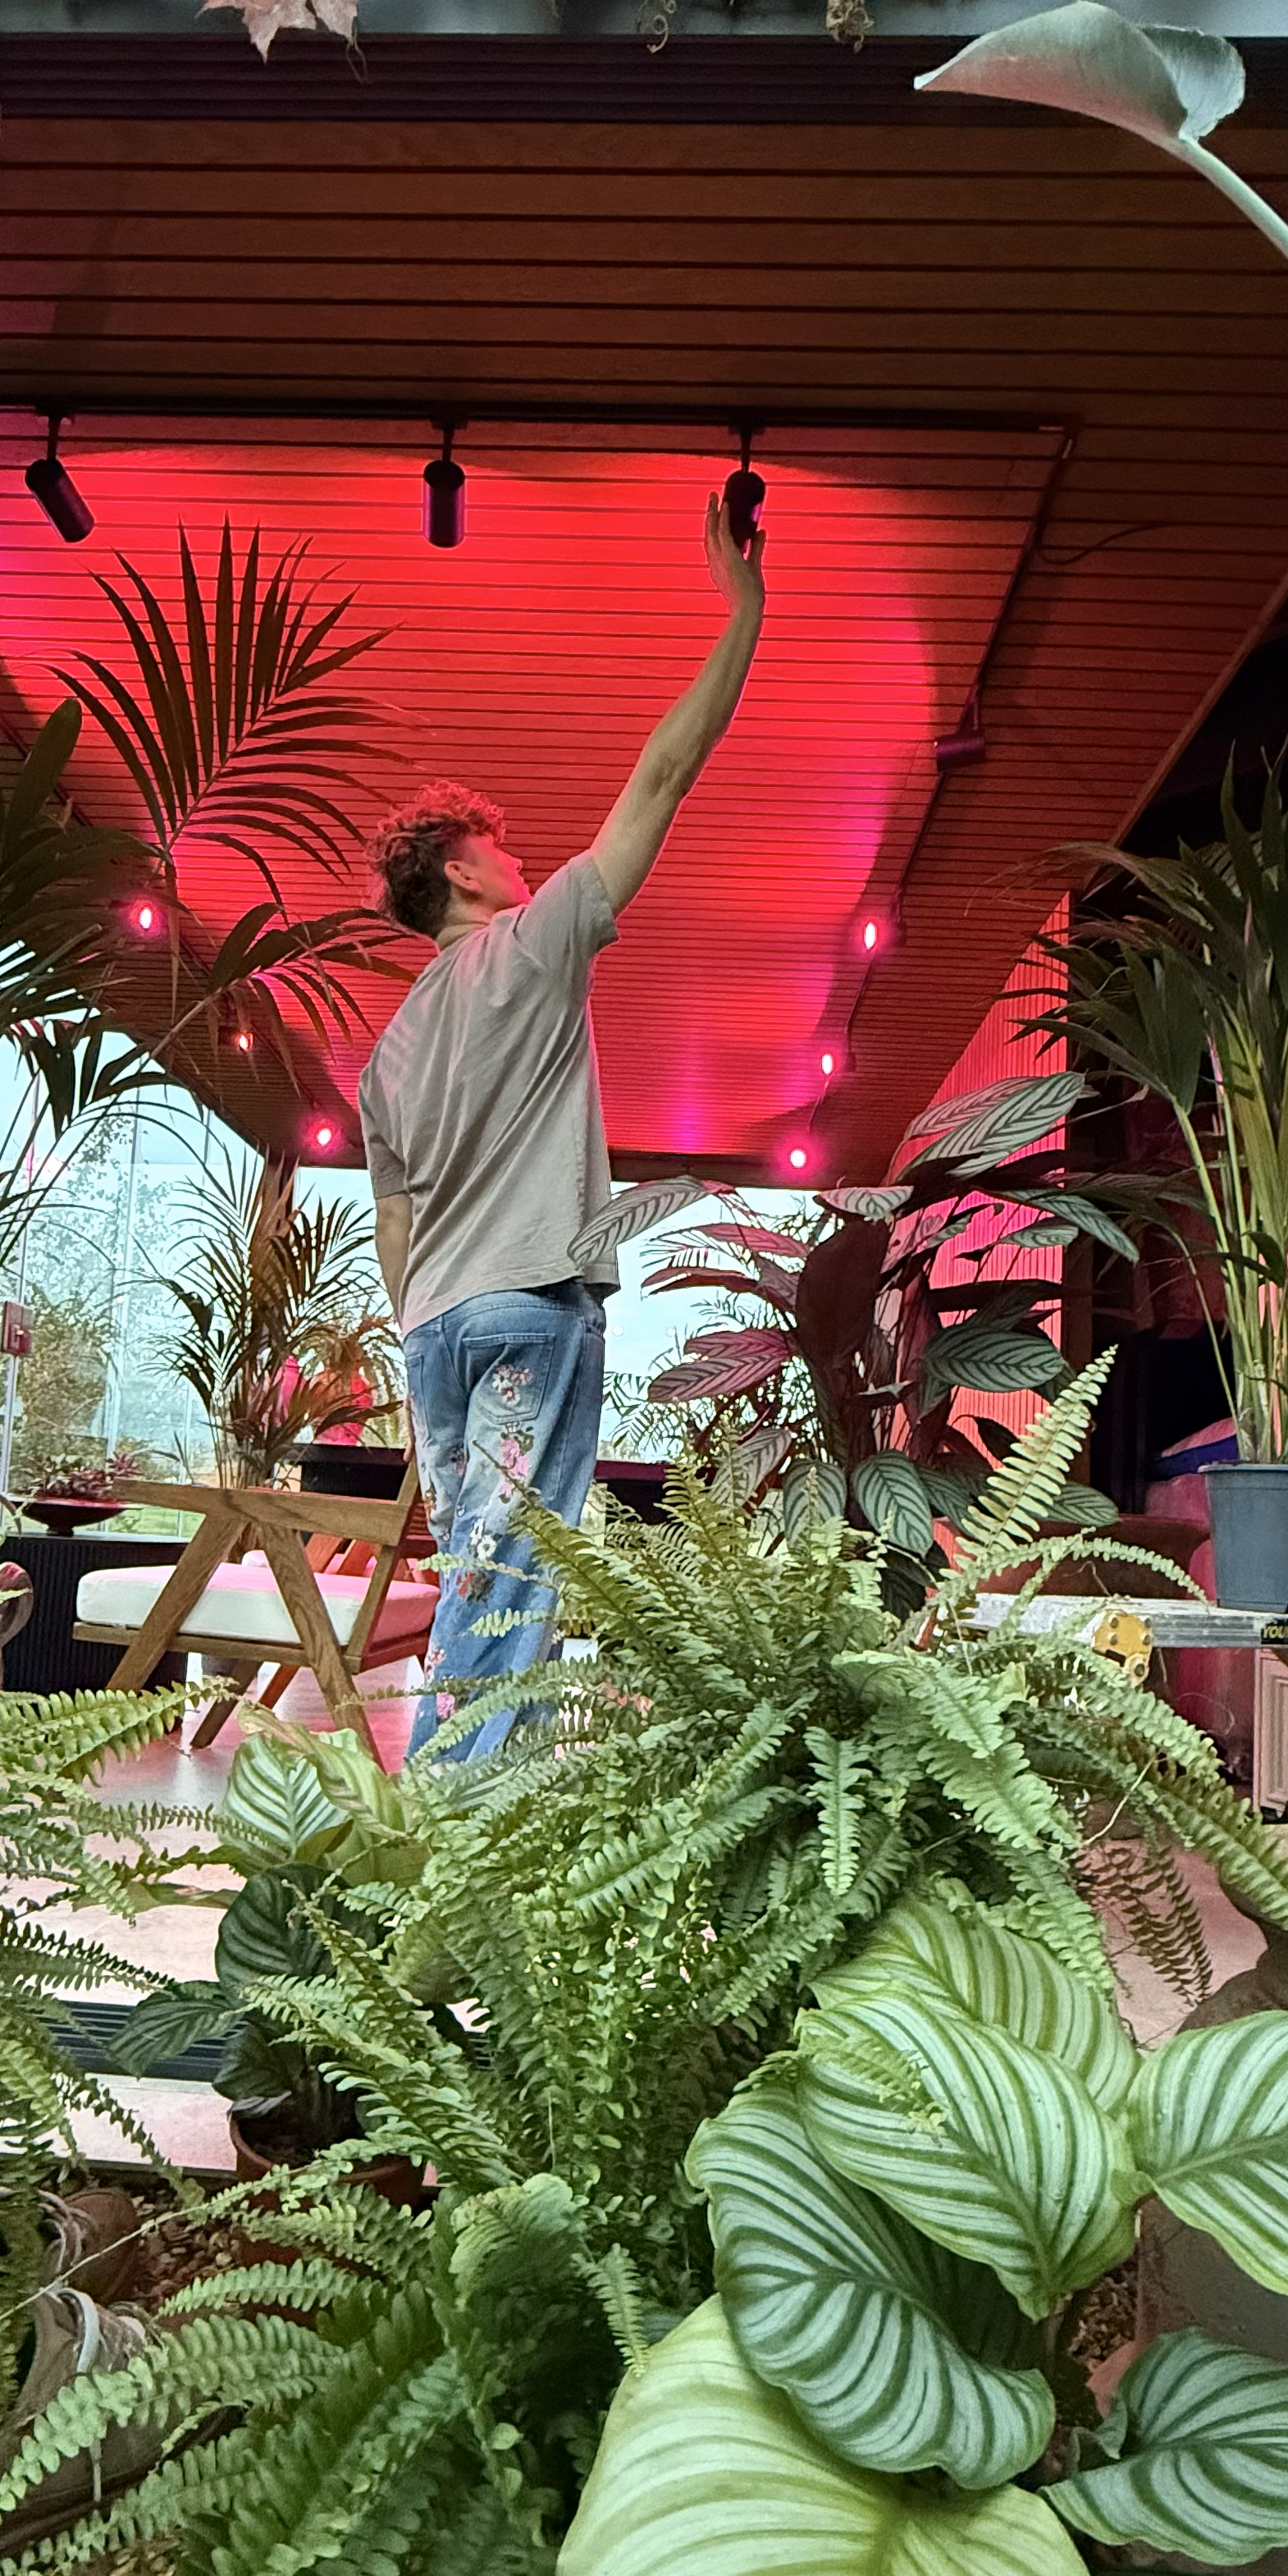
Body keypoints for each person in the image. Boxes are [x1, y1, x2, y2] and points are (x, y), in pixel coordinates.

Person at [359, 492, 766, 1758]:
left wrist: (420, 1320)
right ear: (461, 872)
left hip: (435, 1325)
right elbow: (663, 775)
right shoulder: (533, 948)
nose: (520, 858)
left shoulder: (388, 1051)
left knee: (475, 1567)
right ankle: (454, 1821)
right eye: (500, 847)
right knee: (509, 1581)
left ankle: (477, 1801)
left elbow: (391, 1221)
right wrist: (743, 611)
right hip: (530, 1302)